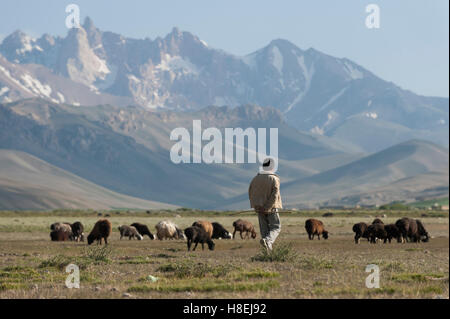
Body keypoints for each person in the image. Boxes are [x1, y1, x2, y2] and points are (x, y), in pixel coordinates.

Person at [248, 158, 282, 251]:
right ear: (272, 167)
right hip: (271, 208)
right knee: (276, 227)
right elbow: (275, 195)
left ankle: (267, 252)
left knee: (264, 231)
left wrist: (256, 206)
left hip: (259, 208)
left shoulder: (255, 179)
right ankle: (268, 241)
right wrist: (267, 207)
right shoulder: (274, 178)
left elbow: (250, 192)